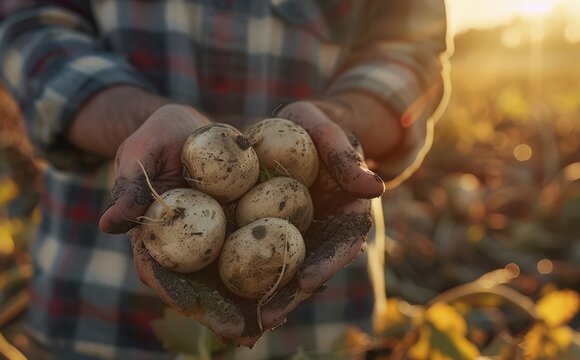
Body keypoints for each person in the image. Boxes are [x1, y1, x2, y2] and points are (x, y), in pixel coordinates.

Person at [0, 0, 450, 358]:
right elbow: (32, 26)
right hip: (96, 312)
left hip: (324, 327)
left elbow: (411, 48)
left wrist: (338, 120)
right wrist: (137, 119)